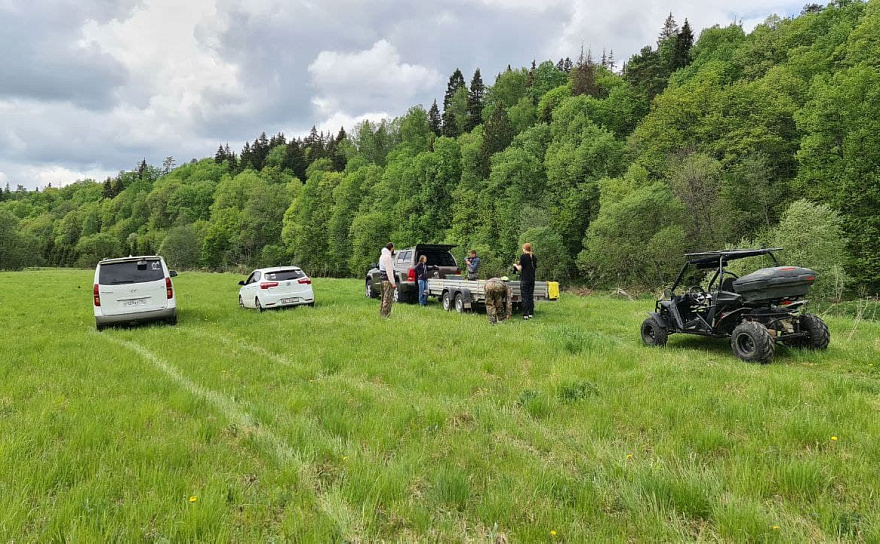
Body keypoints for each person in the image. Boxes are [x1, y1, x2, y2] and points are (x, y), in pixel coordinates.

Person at [513, 242, 536, 320]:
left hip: (525, 279)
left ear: (524, 249)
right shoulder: (534, 257)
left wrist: (515, 265)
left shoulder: (523, 256)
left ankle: (525, 314)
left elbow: (519, 268)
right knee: (530, 296)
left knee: (524, 297)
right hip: (532, 279)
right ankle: (531, 313)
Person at [378, 242, 396, 317]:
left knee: (383, 298)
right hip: (387, 280)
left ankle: (382, 313)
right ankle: (386, 315)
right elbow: (389, 271)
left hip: (382, 280)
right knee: (388, 298)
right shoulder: (388, 257)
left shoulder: (382, 256)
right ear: (391, 248)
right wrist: (393, 282)